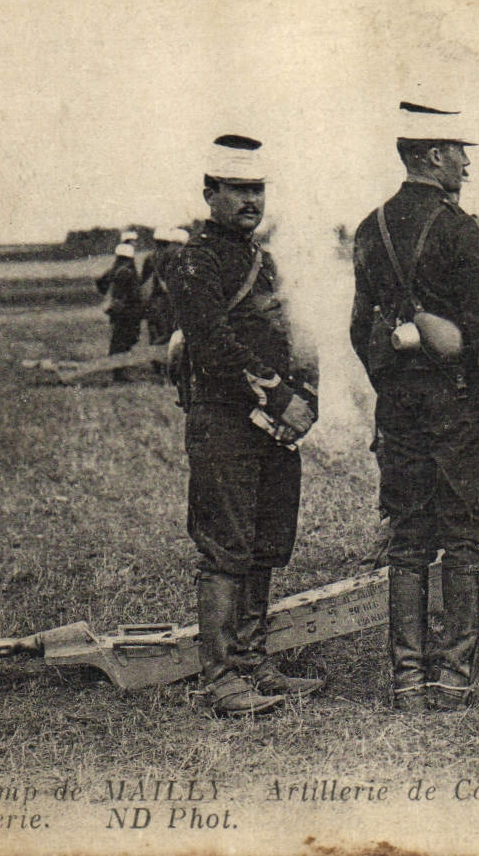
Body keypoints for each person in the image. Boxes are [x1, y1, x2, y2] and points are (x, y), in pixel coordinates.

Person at [349, 101, 479, 712]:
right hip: (458, 410)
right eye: (458, 152)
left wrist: (395, 381)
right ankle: (454, 678)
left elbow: (358, 329)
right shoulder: (456, 228)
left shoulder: (370, 227)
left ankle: (405, 681)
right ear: (432, 155)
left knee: (407, 539)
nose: (466, 164)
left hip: (398, 408)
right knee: (467, 539)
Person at [170, 134, 321, 716]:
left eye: (257, 189)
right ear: (210, 193)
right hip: (224, 419)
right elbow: (213, 346)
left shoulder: (265, 260)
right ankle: (220, 676)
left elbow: (294, 333)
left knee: (266, 544)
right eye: (237, 190)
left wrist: (307, 395)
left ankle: (254, 660)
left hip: (272, 425)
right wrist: (281, 395)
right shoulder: (194, 261)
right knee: (226, 547)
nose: (250, 201)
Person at [94, 242, 146, 382]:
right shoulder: (128, 271)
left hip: (117, 311)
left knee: (118, 340)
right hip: (128, 312)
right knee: (126, 340)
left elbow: (100, 282)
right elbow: (134, 294)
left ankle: (119, 371)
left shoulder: (114, 270)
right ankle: (120, 372)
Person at [143, 227, 189, 373]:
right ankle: (169, 366)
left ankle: (157, 365)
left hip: (154, 300)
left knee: (157, 332)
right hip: (169, 300)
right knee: (170, 332)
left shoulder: (151, 257)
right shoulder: (178, 254)